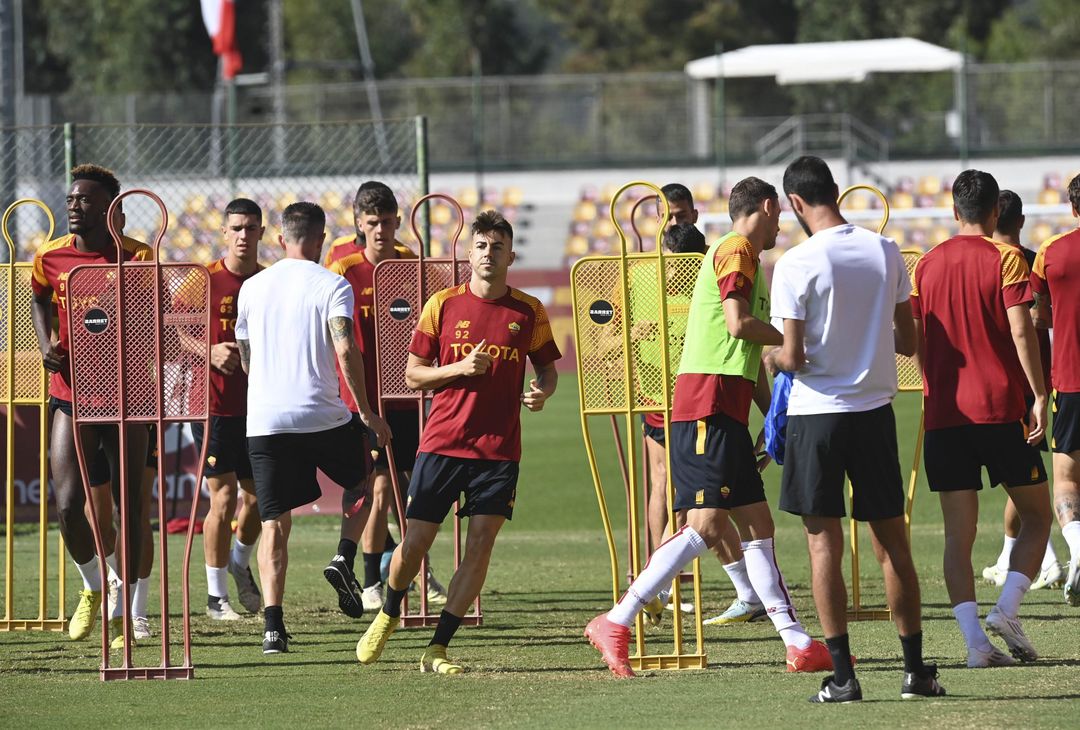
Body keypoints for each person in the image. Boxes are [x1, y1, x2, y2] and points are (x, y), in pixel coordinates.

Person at [585, 176, 832, 679]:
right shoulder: (737, 249)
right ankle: (617, 619)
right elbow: (740, 325)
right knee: (703, 525)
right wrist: (796, 344)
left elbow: (748, 352)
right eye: (780, 213)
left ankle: (798, 642)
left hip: (725, 410)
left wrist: (772, 418)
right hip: (705, 406)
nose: (782, 223)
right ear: (766, 206)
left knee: (759, 527)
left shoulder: (744, 257)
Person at [355, 210, 560, 674]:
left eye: (498, 247)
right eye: (482, 246)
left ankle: (439, 647)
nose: (489, 254)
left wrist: (542, 391)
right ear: (470, 253)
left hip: (499, 451)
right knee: (415, 544)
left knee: (481, 544)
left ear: (511, 254)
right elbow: (412, 373)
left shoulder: (529, 311)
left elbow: (546, 368)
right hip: (442, 443)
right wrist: (459, 369)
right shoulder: (442, 304)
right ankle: (388, 614)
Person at [771, 156, 943, 702]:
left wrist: (773, 356)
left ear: (796, 203)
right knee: (893, 542)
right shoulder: (884, 249)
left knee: (823, 545)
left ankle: (845, 677)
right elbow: (908, 342)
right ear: (836, 192)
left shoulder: (795, 262)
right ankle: (916, 671)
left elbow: (794, 356)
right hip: (873, 413)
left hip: (817, 415)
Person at [235, 201, 391, 654]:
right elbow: (346, 350)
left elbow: (245, 355)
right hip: (321, 413)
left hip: (264, 418)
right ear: (321, 240)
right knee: (364, 477)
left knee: (274, 523)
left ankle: (272, 628)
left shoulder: (252, 287)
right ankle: (344, 554)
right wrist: (365, 411)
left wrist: (267, 391)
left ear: (280, 239)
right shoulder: (333, 284)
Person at [911, 168, 1051, 669]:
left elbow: (913, 341)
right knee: (1038, 515)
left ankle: (975, 644)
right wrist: (1039, 393)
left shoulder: (925, 264)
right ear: (996, 212)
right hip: (998, 409)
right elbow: (1022, 331)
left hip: (945, 416)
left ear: (953, 211)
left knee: (958, 537)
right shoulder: (1007, 257)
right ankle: (1007, 609)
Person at [30, 164, 151, 644]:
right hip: (71, 395)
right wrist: (47, 344)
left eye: (84, 199)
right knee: (66, 504)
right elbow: (39, 298)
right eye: (71, 198)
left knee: (133, 507)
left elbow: (153, 322)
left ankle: (132, 612)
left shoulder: (138, 256)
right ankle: (96, 589)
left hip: (129, 398)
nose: (73, 206)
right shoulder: (50, 256)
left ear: (109, 208)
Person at [323, 182, 446, 618]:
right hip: (363, 401)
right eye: (372, 223)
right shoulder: (343, 268)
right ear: (359, 223)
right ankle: (372, 577)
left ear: (398, 221)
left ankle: (411, 567)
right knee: (378, 488)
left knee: (410, 489)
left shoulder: (413, 265)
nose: (380, 230)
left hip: (407, 395)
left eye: (387, 222)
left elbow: (438, 311)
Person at [982, 191, 1061, 591]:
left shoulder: (985, 263)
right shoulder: (1034, 260)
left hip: (1002, 382)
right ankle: (1009, 555)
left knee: (1023, 476)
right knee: (1022, 472)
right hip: (1040, 376)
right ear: (1022, 220)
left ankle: (1045, 560)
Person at [194, 197, 266, 621]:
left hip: (259, 408)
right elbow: (168, 326)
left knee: (260, 499)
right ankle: (215, 597)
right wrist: (207, 351)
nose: (243, 235)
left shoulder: (267, 281)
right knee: (221, 499)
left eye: (250, 228)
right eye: (236, 227)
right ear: (224, 232)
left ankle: (239, 561)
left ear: (261, 233)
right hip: (215, 408)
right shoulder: (202, 280)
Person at [1029, 173, 1080, 606]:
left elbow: (1038, 317)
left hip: (1071, 378)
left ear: (1073, 207)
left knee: (1065, 476)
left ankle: (1078, 549)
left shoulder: (1050, 253)